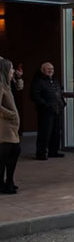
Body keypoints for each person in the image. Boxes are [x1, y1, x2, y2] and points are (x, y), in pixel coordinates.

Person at [31, 62, 66, 160]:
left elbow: (59, 93)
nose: (51, 70)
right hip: (45, 112)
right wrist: (46, 105)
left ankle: (53, 152)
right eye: (48, 69)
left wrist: (63, 103)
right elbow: (35, 96)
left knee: (56, 132)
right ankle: (41, 153)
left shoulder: (55, 80)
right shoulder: (38, 81)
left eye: (52, 69)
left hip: (57, 110)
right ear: (42, 70)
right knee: (45, 133)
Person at [0, 58, 21, 194]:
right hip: (5, 127)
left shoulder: (7, 84)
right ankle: (5, 183)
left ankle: (9, 182)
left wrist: (18, 78)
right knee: (9, 153)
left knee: (12, 153)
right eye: (11, 68)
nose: (13, 70)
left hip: (11, 127)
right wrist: (11, 114)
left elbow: (19, 87)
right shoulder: (0, 85)